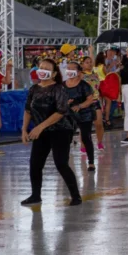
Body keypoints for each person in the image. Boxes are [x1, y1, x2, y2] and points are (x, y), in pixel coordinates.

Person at [21, 59, 81, 206]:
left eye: (47, 69)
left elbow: (61, 112)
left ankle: (76, 196)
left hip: (60, 130)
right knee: (35, 164)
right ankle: (35, 195)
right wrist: (24, 129)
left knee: (61, 163)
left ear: (54, 74)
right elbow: (28, 110)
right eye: (41, 68)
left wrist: (40, 127)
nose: (42, 71)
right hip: (41, 131)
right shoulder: (34, 89)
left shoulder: (59, 89)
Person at [63, 61, 98, 172]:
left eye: (72, 69)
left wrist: (80, 106)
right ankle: (64, 162)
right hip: (68, 114)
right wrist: (66, 103)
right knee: (65, 138)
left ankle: (91, 162)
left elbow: (90, 99)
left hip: (84, 114)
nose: (69, 71)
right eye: (68, 68)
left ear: (78, 72)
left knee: (85, 137)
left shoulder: (84, 85)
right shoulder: (62, 85)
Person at [81, 56, 105, 151]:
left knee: (99, 123)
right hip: (85, 102)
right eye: (87, 62)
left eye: (91, 62)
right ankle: (83, 145)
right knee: (85, 126)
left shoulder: (96, 74)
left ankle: (99, 142)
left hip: (95, 101)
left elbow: (98, 88)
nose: (89, 64)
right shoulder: (80, 75)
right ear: (82, 64)